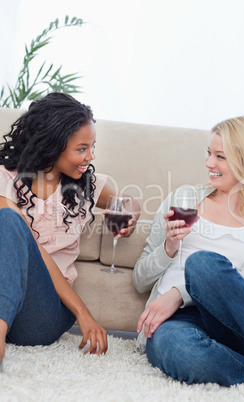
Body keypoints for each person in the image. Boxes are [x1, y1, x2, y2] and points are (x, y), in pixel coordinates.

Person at [0, 92, 140, 368]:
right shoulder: (6, 179)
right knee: (10, 221)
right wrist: (83, 311)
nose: (89, 156)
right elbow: (30, 246)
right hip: (7, 296)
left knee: (9, 221)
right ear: (52, 145)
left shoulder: (86, 185)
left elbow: (126, 201)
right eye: (81, 148)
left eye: (92, 147)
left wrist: (131, 214)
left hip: (43, 313)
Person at [133, 116, 244, 386]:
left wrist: (178, 294)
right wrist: (169, 248)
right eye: (209, 153)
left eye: (220, 156)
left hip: (230, 324)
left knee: (202, 263)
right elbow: (139, 280)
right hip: (175, 323)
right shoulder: (182, 199)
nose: (208, 163)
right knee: (182, 352)